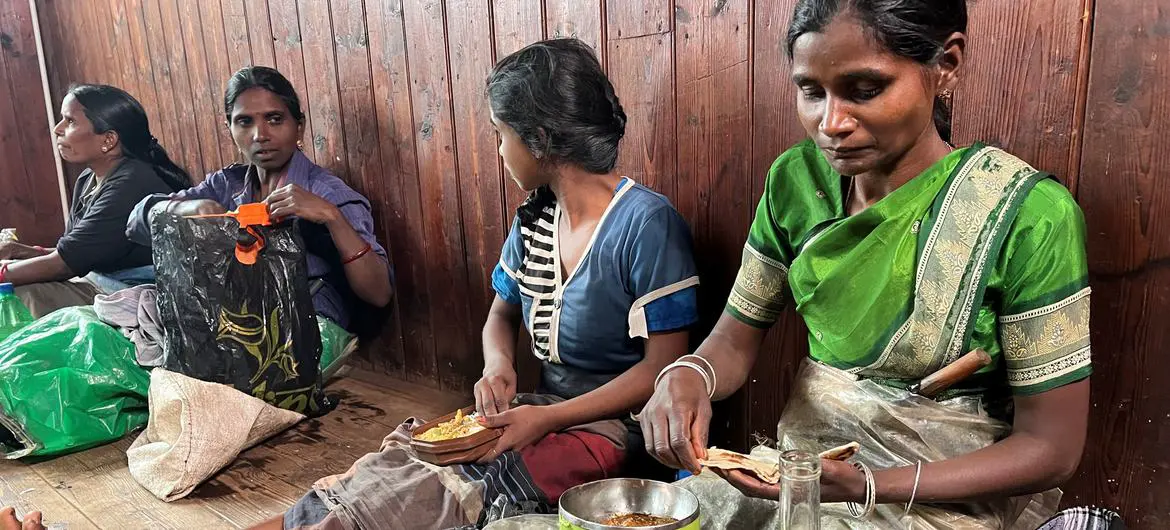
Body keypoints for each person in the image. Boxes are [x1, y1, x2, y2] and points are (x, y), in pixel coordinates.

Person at [641, 0, 1091, 528]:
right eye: (811, 91)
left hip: (937, 503)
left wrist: (869, 485)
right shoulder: (797, 182)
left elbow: (1050, 448)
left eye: (865, 90)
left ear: (945, 64)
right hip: (801, 476)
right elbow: (735, 338)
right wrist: (690, 374)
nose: (831, 123)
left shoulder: (1026, 216)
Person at [257, 38, 700, 530]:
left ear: (538, 139)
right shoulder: (536, 219)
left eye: (500, 134)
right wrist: (499, 366)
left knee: (463, 488)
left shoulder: (646, 223)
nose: (499, 149)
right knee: (410, 459)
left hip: (612, 431)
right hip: (538, 412)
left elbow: (663, 368)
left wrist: (547, 419)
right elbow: (500, 315)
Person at [127, 66, 393, 329]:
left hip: (307, 326)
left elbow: (379, 295)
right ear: (229, 128)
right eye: (245, 122)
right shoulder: (226, 184)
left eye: (275, 119)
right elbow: (135, 223)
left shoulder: (327, 194)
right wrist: (186, 210)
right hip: (235, 317)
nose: (260, 135)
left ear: (299, 127)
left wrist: (333, 218)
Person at [0, 85, 190, 317]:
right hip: (99, 280)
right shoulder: (89, 178)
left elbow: (64, 264)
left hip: (131, 293)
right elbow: (77, 252)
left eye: (70, 121)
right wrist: (22, 251)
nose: (57, 129)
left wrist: (3, 273)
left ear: (108, 140)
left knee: (17, 297)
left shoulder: (131, 183)